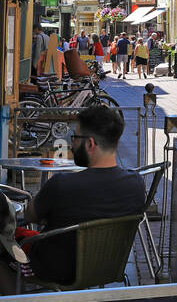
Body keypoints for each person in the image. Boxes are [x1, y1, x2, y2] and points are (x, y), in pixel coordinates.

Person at [27, 105, 147, 284]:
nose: (72, 143)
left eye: (75, 137)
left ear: (90, 144)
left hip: (56, 271)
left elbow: (30, 215)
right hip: (108, 269)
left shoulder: (62, 184)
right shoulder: (136, 184)